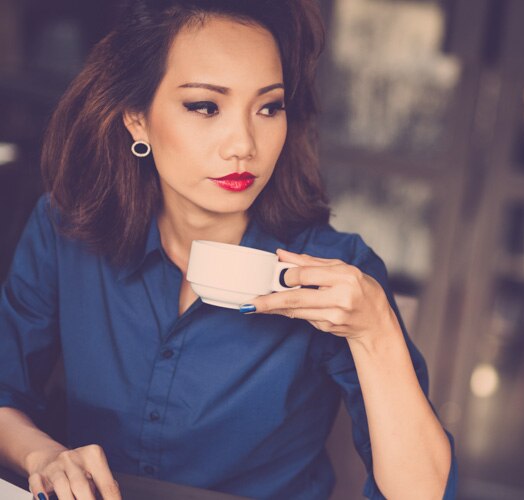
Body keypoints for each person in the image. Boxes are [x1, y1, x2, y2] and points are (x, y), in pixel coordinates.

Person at [0, 0, 456, 498]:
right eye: (205, 106)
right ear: (136, 118)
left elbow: (423, 494)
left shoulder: (334, 271)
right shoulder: (66, 229)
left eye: (268, 107)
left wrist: (376, 332)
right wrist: (44, 454)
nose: (243, 143)